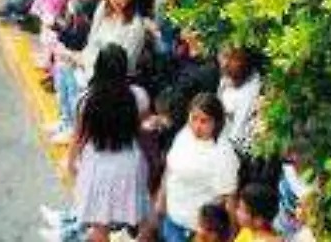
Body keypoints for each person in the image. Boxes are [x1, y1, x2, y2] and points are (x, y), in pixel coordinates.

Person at [69, 44, 149, 241]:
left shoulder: (87, 100)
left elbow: (79, 136)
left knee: (99, 224)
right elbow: (140, 125)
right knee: (138, 216)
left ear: (98, 67)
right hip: (130, 163)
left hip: (98, 166)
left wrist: (71, 161)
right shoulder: (139, 96)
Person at [157, 93, 239, 242]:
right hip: (171, 219)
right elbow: (170, 170)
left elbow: (229, 198)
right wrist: (160, 202)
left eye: (204, 121)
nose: (197, 126)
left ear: (217, 123)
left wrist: (231, 235)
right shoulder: (184, 135)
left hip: (197, 231)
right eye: (193, 118)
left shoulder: (224, 153)